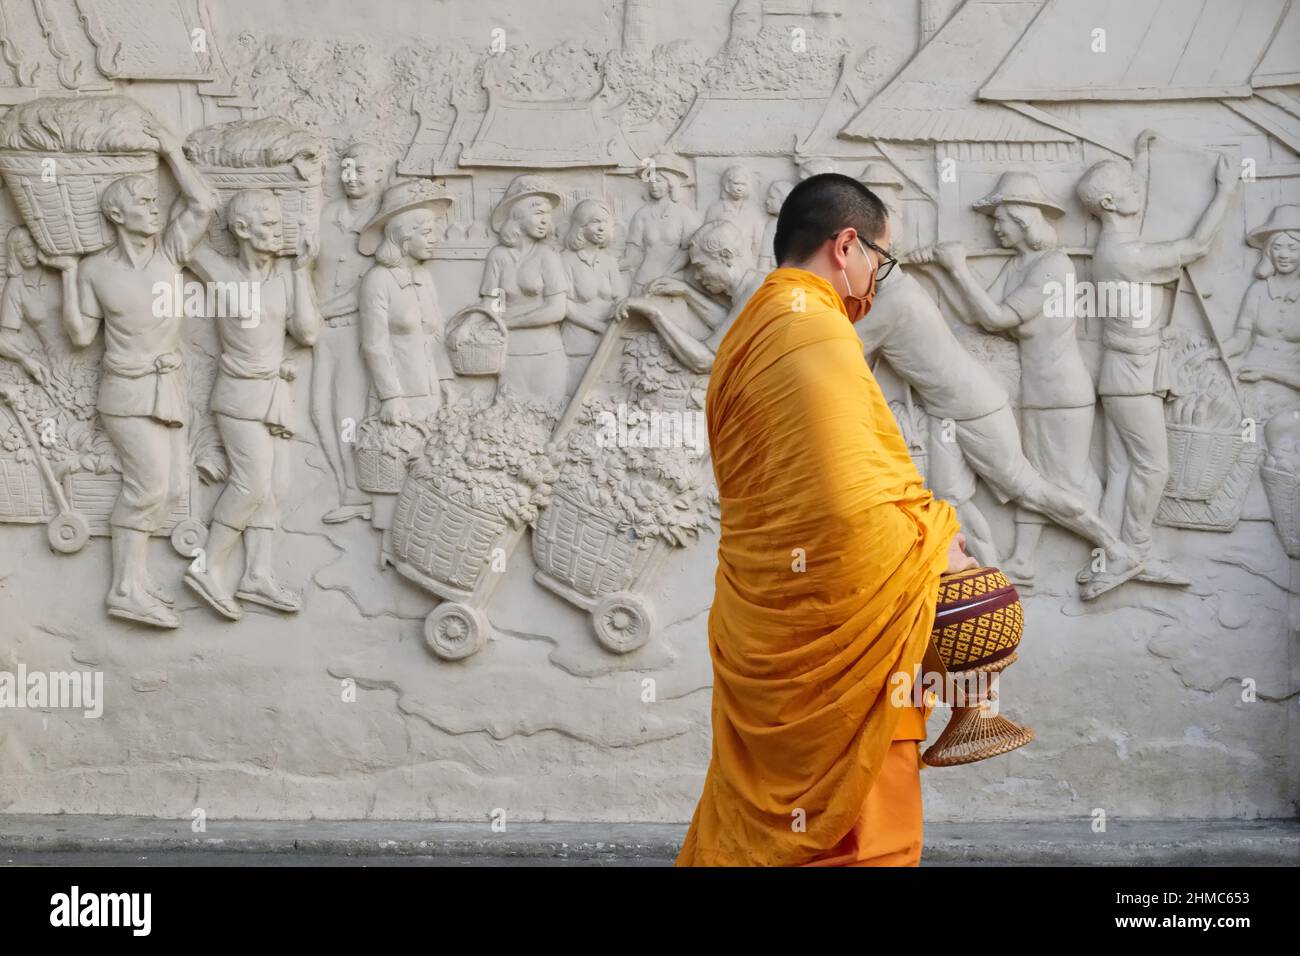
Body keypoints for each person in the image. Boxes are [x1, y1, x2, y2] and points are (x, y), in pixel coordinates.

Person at [676, 173, 975, 867]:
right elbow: (852, 503)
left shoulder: (749, 332)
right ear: (848, 245)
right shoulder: (816, 331)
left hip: (767, 629)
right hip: (844, 636)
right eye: (882, 259)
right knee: (857, 839)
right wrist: (940, 552)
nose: (877, 279)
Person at [58, 124, 217, 629]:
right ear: (116, 215)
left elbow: (203, 205)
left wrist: (170, 150)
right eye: (143, 202)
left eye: (155, 201)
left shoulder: (170, 253)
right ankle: (123, 590)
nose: (153, 207)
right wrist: (65, 276)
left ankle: (138, 580)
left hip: (166, 386)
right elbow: (82, 336)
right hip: (124, 389)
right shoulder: (93, 270)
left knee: (170, 489)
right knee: (147, 487)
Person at [913, 172, 1100, 586]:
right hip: (1034, 388)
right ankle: (1024, 559)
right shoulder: (1022, 263)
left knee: (1068, 480)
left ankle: (1112, 546)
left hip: (1061, 390)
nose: (995, 227)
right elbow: (979, 320)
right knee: (1032, 478)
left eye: (1002, 219)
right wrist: (940, 274)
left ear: (1025, 220)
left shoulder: (1053, 266)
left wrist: (957, 267)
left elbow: (998, 318)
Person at [1077, 129, 1237, 586]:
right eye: (1128, 188)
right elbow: (1196, 248)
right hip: (1132, 374)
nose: (1137, 192)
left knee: (1124, 468)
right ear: (1109, 203)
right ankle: (1136, 550)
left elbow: (1134, 200)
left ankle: (1112, 555)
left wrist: (1140, 160)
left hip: (1127, 371)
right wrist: (1224, 192)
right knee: (1153, 466)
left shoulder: (1116, 239)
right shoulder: (1126, 254)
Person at [182, 189, 322, 620]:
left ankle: (257, 575)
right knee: (250, 485)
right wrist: (182, 173)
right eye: (267, 224)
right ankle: (206, 567)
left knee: (274, 489)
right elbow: (183, 242)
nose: (276, 231)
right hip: (239, 395)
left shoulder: (283, 279)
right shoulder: (221, 272)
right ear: (241, 229)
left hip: (274, 394)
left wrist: (302, 272)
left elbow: (308, 333)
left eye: (280, 223)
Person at [311, 143, 388, 524]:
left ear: (378, 174)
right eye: (345, 169)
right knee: (318, 411)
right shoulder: (327, 215)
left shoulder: (385, 221)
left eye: (361, 169)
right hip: (320, 332)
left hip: (355, 333)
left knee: (347, 413)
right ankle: (346, 488)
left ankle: (357, 491)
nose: (351, 176)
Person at [481, 175, 569, 406]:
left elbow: (557, 310)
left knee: (546, 413)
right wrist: (491, 318)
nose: (545, 220)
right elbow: (495, 303)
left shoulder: (547, 256)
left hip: (546, 351)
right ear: (518, 215)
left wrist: (506, 322)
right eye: (538, 213)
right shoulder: (499, 257)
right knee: (511, 417)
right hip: (510, 353)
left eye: (547, 214)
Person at [1223, 204, 1300, 423]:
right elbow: (1239, 340)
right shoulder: (1258, 290)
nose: (1283, 255)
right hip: (1249, 380)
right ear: (1268, 251)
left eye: (1292, 248)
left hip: (1289, 387)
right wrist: (1211, 353)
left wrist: (1267, 374)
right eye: (1277, 247)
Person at [560, 198, 625, 393]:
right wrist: (598, 327)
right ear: (581, 225)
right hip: (579, 343)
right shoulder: (565, 259)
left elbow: (621, 299)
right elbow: (564, 306)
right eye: (595, 222)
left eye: (605, 222)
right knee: (579, 396)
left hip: (610, 340)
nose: (601, 228)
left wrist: (615, 321)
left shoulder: (609, 261)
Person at [621, 154, 701, 294]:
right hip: (643, 280)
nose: (653, 185)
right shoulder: (642, 215)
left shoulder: (684, 214)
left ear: (670, 183)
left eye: (658, 181)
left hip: (672, 280)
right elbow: (632, 255)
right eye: (650, 181)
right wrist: (607, 265)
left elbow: (689, 250)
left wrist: (667, 275)